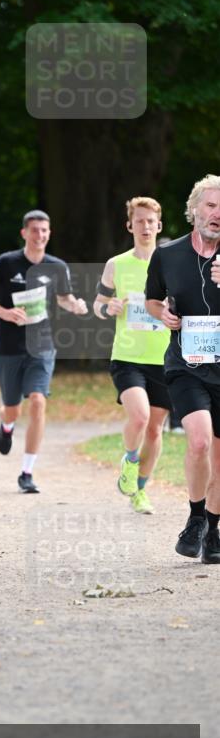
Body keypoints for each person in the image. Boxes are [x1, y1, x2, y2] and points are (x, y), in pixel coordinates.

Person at [0, 209, 88, 493]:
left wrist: (75, 305)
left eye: (45, 231)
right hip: (9, 347)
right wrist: (3, 312)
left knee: (38, 400)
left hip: (41, 345)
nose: (40, 235)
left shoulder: (57, 266)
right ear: (24, 233)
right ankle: (7, 425)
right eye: (35, 230)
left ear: (49, 234)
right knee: (13, 408)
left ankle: (26, 472)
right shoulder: (6, 262)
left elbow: (64, 298)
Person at [145, 174, 220, 564]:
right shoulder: (168, 254)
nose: (217, 214)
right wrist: (165, 316)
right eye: (210, 205)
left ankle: (213, 528)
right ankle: (194, 519)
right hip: (186, 365)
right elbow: (152, 300)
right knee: (200, 441)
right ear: (194, 211)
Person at [94, 197, 170, 514]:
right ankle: (130, 458)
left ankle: (139, 490)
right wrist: (107, 307)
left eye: (151, 221)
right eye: (139, 221)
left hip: (165, 358)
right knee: (138, 417)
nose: (145, 226)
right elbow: (98, 304)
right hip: (127, 356)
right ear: (130, 225)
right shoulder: (117, 264)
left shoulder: (171, 263)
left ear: (159, 226)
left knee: (154, 429)